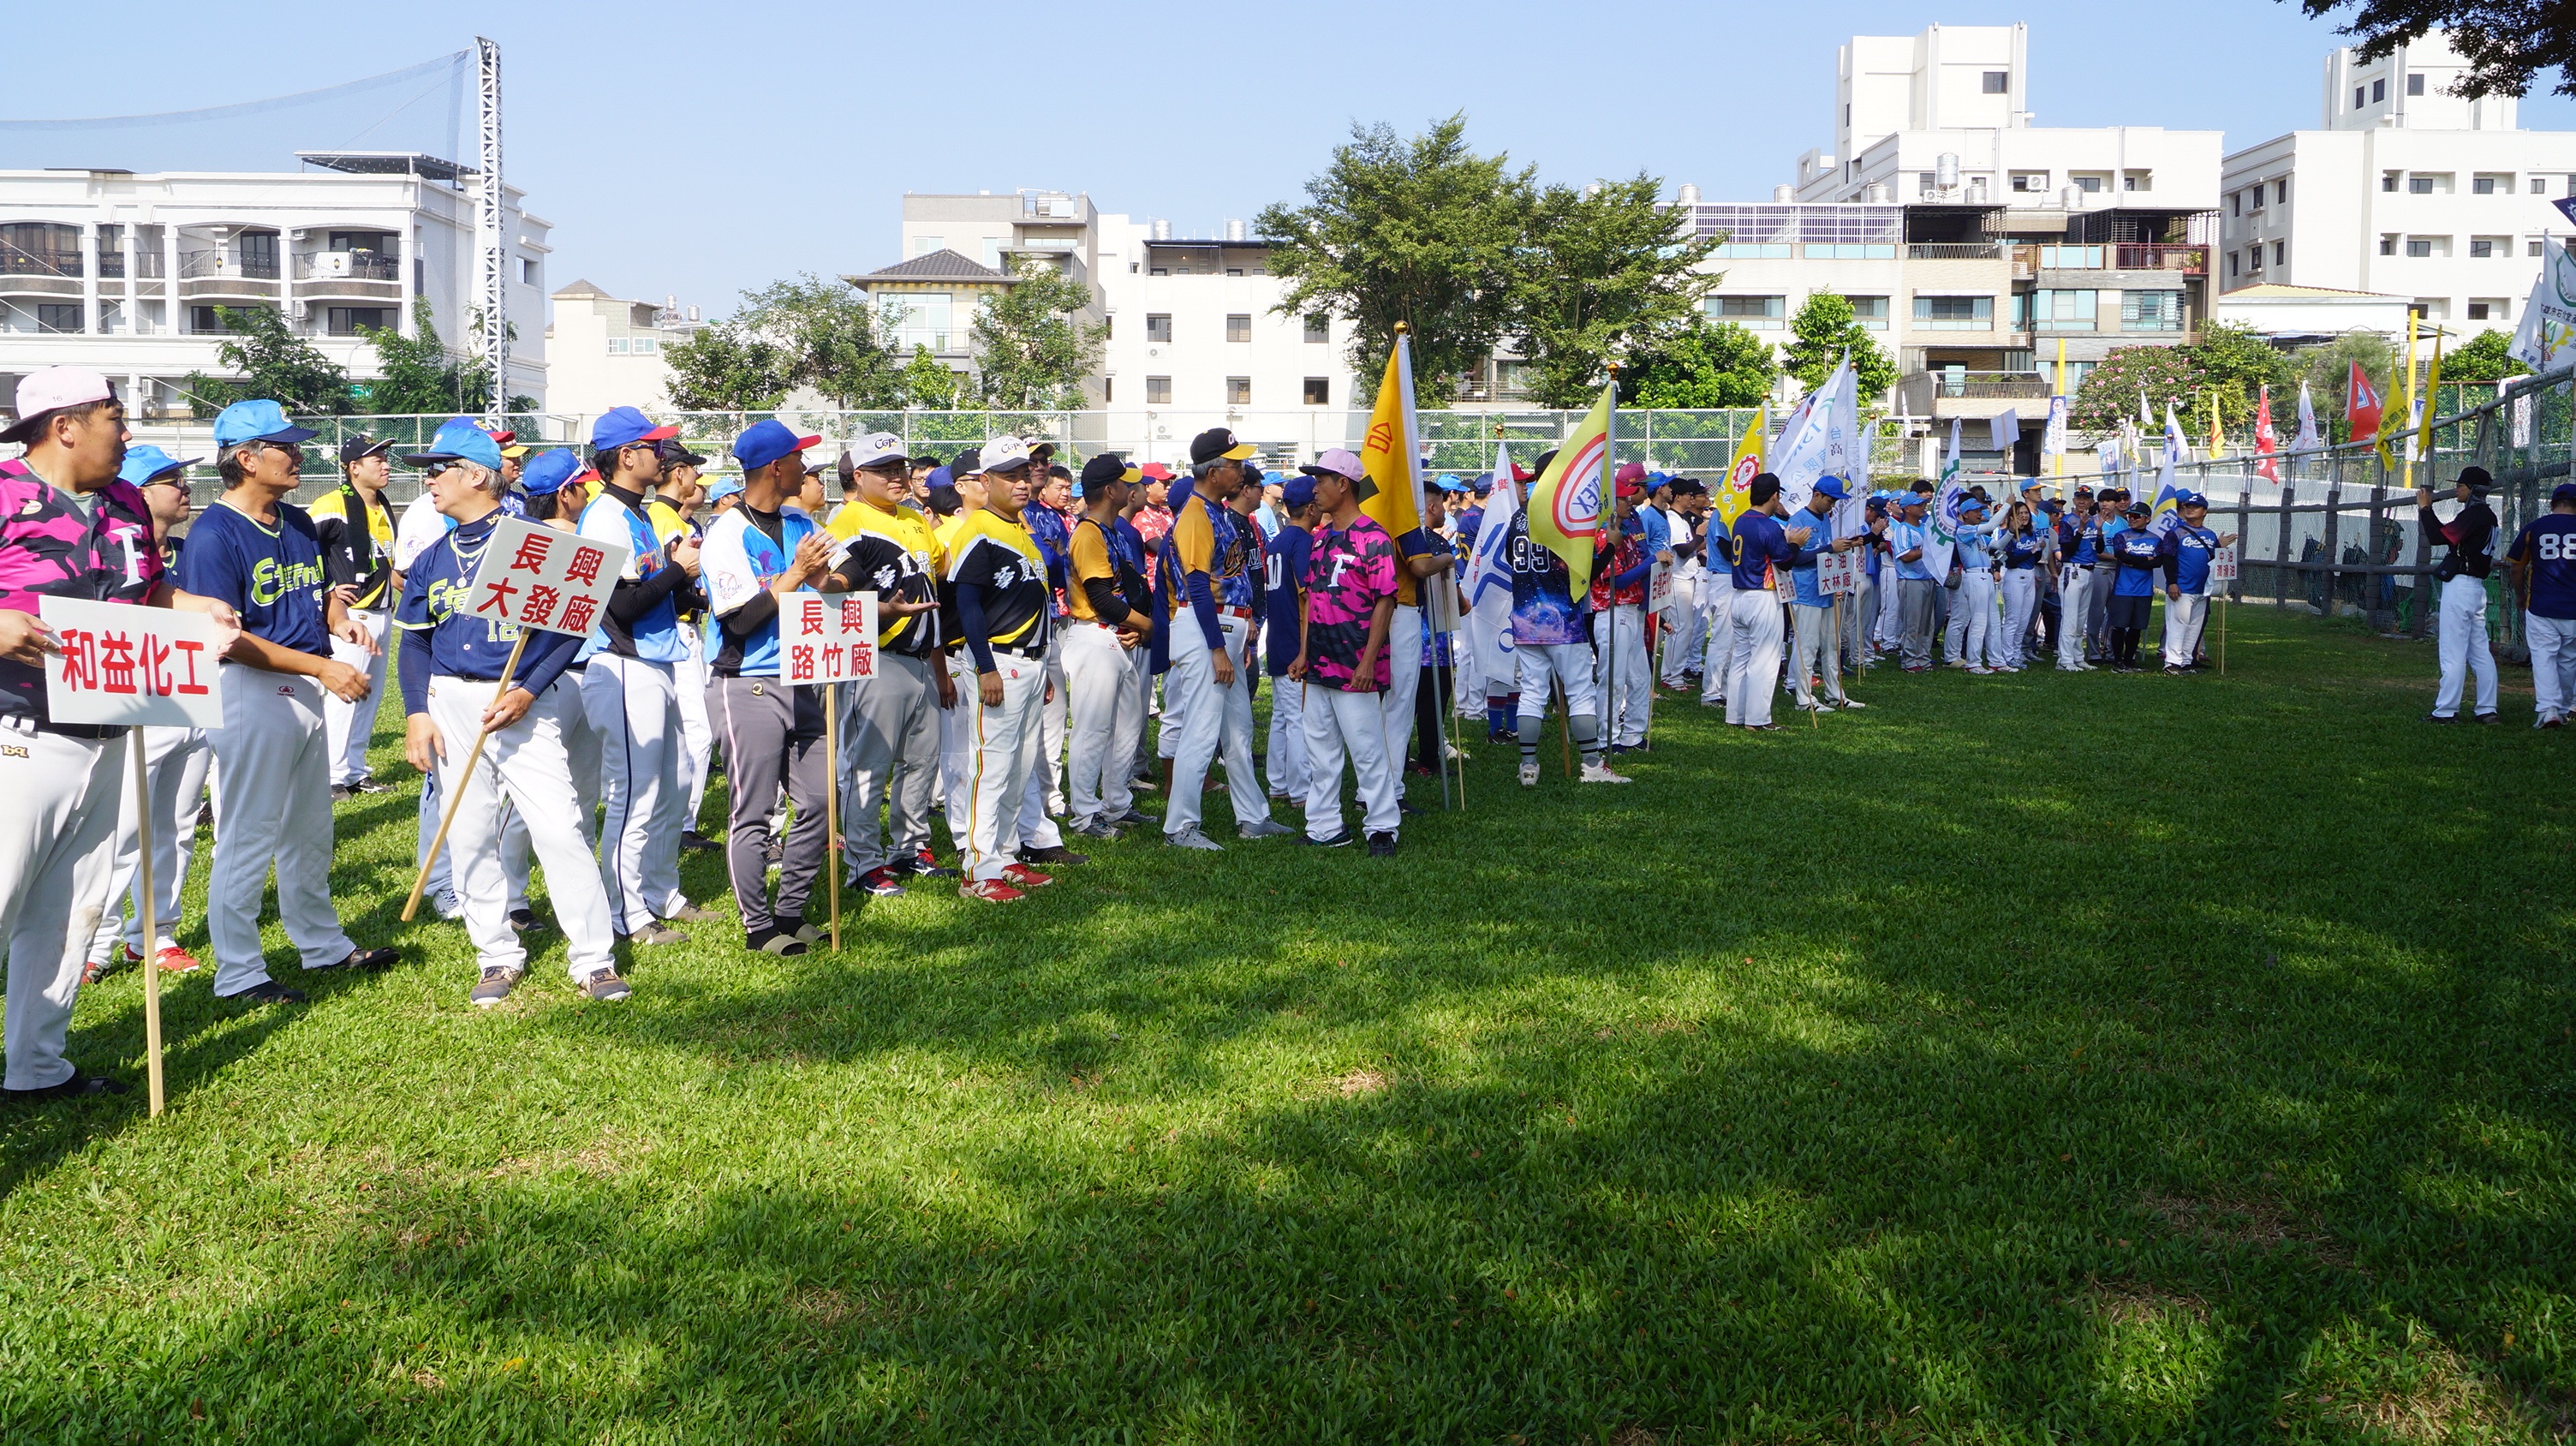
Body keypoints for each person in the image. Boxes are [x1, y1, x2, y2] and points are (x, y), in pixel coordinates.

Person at [0, 369, 242, 1098]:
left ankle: (37, 1066)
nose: (128, 432)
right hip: (18, 732)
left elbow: (145, 591)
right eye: (114, 416)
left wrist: (194, 606)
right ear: (65, 425)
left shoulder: (127, 502)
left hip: (111, 729)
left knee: (71, 910)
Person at [391, 421, 623, 1005]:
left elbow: (571, 629)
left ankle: (594, 958)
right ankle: (495, 953)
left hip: (521, 699)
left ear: (475, 475)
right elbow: (414, 640)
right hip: (451, 700)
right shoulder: (433, 555)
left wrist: (529, 690)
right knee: (469, 834)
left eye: (439, 469)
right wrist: (417, 713)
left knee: (559, 827)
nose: (429, 480)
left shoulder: (533, 543)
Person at [179, 399, 399, 1007]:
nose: (298, 454)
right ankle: (239, 972)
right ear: (246, 459)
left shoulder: (296, 520)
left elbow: (321, 590)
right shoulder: (214, 534)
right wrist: (323, 666)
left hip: (302, 683)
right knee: (247, 834)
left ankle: (322, 944)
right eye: (284, 446)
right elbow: (227, 637)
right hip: (248, 689)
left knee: (310, 831)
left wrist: (339, 619)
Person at [578, 406, 718, 944]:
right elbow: (620, 605)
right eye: (652, 446)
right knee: (634, 793)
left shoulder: (634, 514)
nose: (661, 455)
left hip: (656, 661)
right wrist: (678, 571)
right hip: (621, 665)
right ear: (625, 456)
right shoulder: (605, 517)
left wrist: (686, 583)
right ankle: (624, 913)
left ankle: (661, 892)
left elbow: (653, 594)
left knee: (673, 785)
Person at [699, 419, 835, 954]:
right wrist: (797, 574)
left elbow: (849, 575)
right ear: (777, 468)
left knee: (821, 798)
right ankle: (758, 927)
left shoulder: (800, 522)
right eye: (799, 458)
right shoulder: (726, 532)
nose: (806, 467)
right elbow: (739, 620)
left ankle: (790, 910)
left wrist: (830, 579)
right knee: (752, 810)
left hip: (803, 674)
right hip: (745, 683)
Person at [81, 446, 215, 982]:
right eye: (170, 480)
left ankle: (155, 934)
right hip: (130, 700)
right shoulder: (104, 554)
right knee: (118, 831)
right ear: (138, 493)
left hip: (190, 696)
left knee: (177, 826)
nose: (185, 488)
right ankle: (97, 943)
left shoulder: (187, 550)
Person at [825, 433, 957, 891]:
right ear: (859, 476)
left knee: (921, 762)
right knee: (868, 765)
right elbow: (830, 595)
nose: (897, 476)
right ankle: (863, 862)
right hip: (874, 656)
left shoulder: (916, 518)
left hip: (922, 656)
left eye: (900, 467)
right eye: (884, 470)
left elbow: (938, 573)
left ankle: (910, 848)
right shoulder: (846, 521)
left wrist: (940, 667)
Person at [1151, 428, 1288, 851]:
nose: (1241, 471)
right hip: (1204, 628)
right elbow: (1196, 585)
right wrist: (1216, 647)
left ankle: (1253, 817)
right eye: (1234, 464)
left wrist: (1239, 640)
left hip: (1225, 627)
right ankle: (1179, 827)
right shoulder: (1195, 513)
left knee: (1238, 729)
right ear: (1213, 473)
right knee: (1201, 729)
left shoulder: (1217, 512)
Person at [945, 437, 1064, 902]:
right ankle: (977, 867)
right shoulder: (978, 528)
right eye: (1010, 475)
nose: (1022, 482)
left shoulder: (1020, 529)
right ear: (986, 481)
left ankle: (1006, 856)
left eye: (1024, 474)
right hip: (999, 659)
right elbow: (968, 604)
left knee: (1019, 765)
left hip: (1030, 661)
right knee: (991, 766)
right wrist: (985, 664)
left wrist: (1044, 663)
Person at [1289, 450, 1401, 854]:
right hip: (1320, 661)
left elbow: (1386, 601)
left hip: (1355, 662)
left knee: (1367, 750)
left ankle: (1383, 826)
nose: (1314, 488)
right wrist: (1304, 653)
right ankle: (1324, 826)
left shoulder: (1375, 537)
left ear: (1343, 484)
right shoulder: (1320, 539)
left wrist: (1369, 661)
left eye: (1321, 480)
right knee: (1320, 750)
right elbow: (1312, 600)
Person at [1505, 450, 1623, 785]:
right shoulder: (1563, 515)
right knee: (1580, 691)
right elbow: (1584, 572)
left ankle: (1528, 767)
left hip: (1525, 618)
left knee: (1532, 692)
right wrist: (1611, 547)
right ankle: (1592, 765)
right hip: (1563, 619)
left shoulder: (1519, 515)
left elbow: (1510, 558)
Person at [1059, 454, 1152, 840]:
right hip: (1094, 636)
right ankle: (1084, 814)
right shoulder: (1089, 533)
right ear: (1111, 490)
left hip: (1116, 636)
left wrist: (1135, 629)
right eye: (1125, 482)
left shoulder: (1110, 530)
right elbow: (1101, 598)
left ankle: (1116, 803)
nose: (1131, 487)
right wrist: (1146, 626)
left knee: (1127, 727)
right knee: (1093, 729)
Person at [310, 433, 399, 800]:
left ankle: (355, 771)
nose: (386, 465)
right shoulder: (332, 504)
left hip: (382, 612)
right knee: (344, 697)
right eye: (377, 459)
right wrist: (330, 590)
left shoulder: (382, 504)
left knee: (368, 697)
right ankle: (330, 774)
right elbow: (303, 547)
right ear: (354, 468)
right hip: (352, 616)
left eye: (385, 458)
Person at [2420, 467, 2501, 724]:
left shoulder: (2475, 514)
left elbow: (2436, 537)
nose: (2457, 489)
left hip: (2461, 587)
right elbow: (2449, 537)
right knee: (2480, 653)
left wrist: (2425, 509)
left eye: (2462, 485)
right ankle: (2487, 709)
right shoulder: (2489, 516)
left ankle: (2446, 711)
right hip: (2475, 588)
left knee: (2452, 651)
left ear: (2474, 490)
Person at [1726, 474, 1806, 730]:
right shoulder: (1768, 526)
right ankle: (1758, 719)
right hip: (1762, 596)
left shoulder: (1740, 520)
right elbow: (1785, 562)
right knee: (1765, 660)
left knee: (1741, 658)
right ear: (1774, 496)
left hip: (1739, 595)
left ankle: (1735, 716)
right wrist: (1795, 544)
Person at [1261, 474, 1320, 802]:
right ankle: (1300, 790)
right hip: (1295, 638)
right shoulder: (1302, 541)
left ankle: (1279, 784)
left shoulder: (1278, 541)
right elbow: (1307, 595)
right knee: (1299, 718)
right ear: (1311, 508)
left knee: (1282, 716)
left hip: (1277, 636)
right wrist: (1305, 648)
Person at [1786, 477, 1865, 712]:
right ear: (1817, 494)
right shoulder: (1799, 520)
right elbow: (1795, 558)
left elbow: (1826, 554)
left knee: (1832, 644)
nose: (1832, 505)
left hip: (1826, 589)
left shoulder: (1825, 518)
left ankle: (1835, 693)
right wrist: (1830, 548)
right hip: (1806, 591)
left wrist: (1841, 551)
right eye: (1830, 500)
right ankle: (1804, 698)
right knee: (1808, 646)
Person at [1590, 478, 1654, 750]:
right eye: (1623, 498)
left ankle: (1633, 735)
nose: (1630, 502)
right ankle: (1607, 737)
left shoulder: (1624, 533)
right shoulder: (1604, 536)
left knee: (1640, 677)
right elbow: (1617, 580)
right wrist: (1652, 561)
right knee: (1613, 680)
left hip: (1629, 611)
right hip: (1611, 612)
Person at [2506, 482, 2576, 728]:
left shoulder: (2534, 528)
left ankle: (2549, 709)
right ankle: (2564, 708)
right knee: (2569, 659)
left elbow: (2516, 567)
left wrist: (2519, 595)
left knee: (2544, 656)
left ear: (2552, 504)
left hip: (2541, 603)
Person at [1412, 487, 1464, 773]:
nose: (1445, 511)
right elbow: (1452, 596)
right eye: (1442, 505)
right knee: (1433, 702)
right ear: (1431, 507)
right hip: (1434, 639)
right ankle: (1429, 757)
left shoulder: (1403, 540)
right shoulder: (1438, 544)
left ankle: (1400, 756)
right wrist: (1464, 605)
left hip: (1404, 638)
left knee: (1404, 704)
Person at [2158, 493, 2235, 673]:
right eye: (2187, 506)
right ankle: (2172, 663)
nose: (2190, 509)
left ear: (2204, 511)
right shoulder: (2175, 532)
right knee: (2178, 624)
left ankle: (2186, 660)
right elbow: (2167, 558)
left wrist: (2220, 549)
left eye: (2195, 507)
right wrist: (2172, 583)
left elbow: (2213, 558)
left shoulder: (2209, 534)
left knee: (2194, 626)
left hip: (2203, 588)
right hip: (2182, 587)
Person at [2102, 501, 2164, 672]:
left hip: (2144, 590)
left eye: (2136, 516)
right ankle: (2117, 661)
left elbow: (2158, 562)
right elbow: (2122, 556)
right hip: (2123, 589)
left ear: (2147, 519)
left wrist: (2135, 561)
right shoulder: (2121, 536)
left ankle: (2129, 661)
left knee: (2137, 627)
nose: (2132, 519)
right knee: (2119, 626)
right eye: (2130, 515)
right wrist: (2145, 560)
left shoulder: (2156, 539)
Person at [1949, 495, 2002, 673]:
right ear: (1965, 514)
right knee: (1978, 621)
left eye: (1981, 510)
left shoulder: (1978, 536)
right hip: (1974, 576)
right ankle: (1973, 662)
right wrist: (2007, 507)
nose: (1980, 513)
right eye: (1976, 511)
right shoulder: (1964, 531)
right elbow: (1991, 526)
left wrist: (2010, 531)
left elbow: (1998, 545)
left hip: (1986, 576)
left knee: (1993, 622)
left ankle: (1996, 661)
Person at [1887, 493, 1938, 672]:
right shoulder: (1903, 529)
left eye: (1923, 504)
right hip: (1910, 579)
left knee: (1927, 624)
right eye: (1918, 505)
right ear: (1907, 509)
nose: (1922, 507)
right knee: (1912, 623)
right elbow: (1906, 556)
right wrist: (1928, 551)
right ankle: (1909, 660)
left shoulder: (1925, 527)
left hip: (1927, 578)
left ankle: (1923, 658)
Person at [1995, 499, 2044, 672]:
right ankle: (2007, 655)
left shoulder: (2031, 533)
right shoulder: (2008, 535)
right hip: (2014, 577)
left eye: (2025, 513)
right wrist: (2031, 551)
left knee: (2024, 620)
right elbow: (2010, 561)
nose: (2024, 516)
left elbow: (2035, 559)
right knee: (2013, 619)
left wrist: (2038, 550)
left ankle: (2017, 653)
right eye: (2020, 513)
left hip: (2029, 575)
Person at [2054, 491, 2102, 672]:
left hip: (2089, 570)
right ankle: (2064, 659)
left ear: (2091, 502)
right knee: (2070, 617)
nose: (2082, 502)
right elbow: (2068, 550)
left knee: (2081, 619)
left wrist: (2099, 531)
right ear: (2074, 500)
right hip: (2073, 569)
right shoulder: (2067, 521)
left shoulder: (2095, 520)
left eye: (2086, 498)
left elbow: (2099, 549)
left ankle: (2077, 656)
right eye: (2079, 498)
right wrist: (2081, 529)